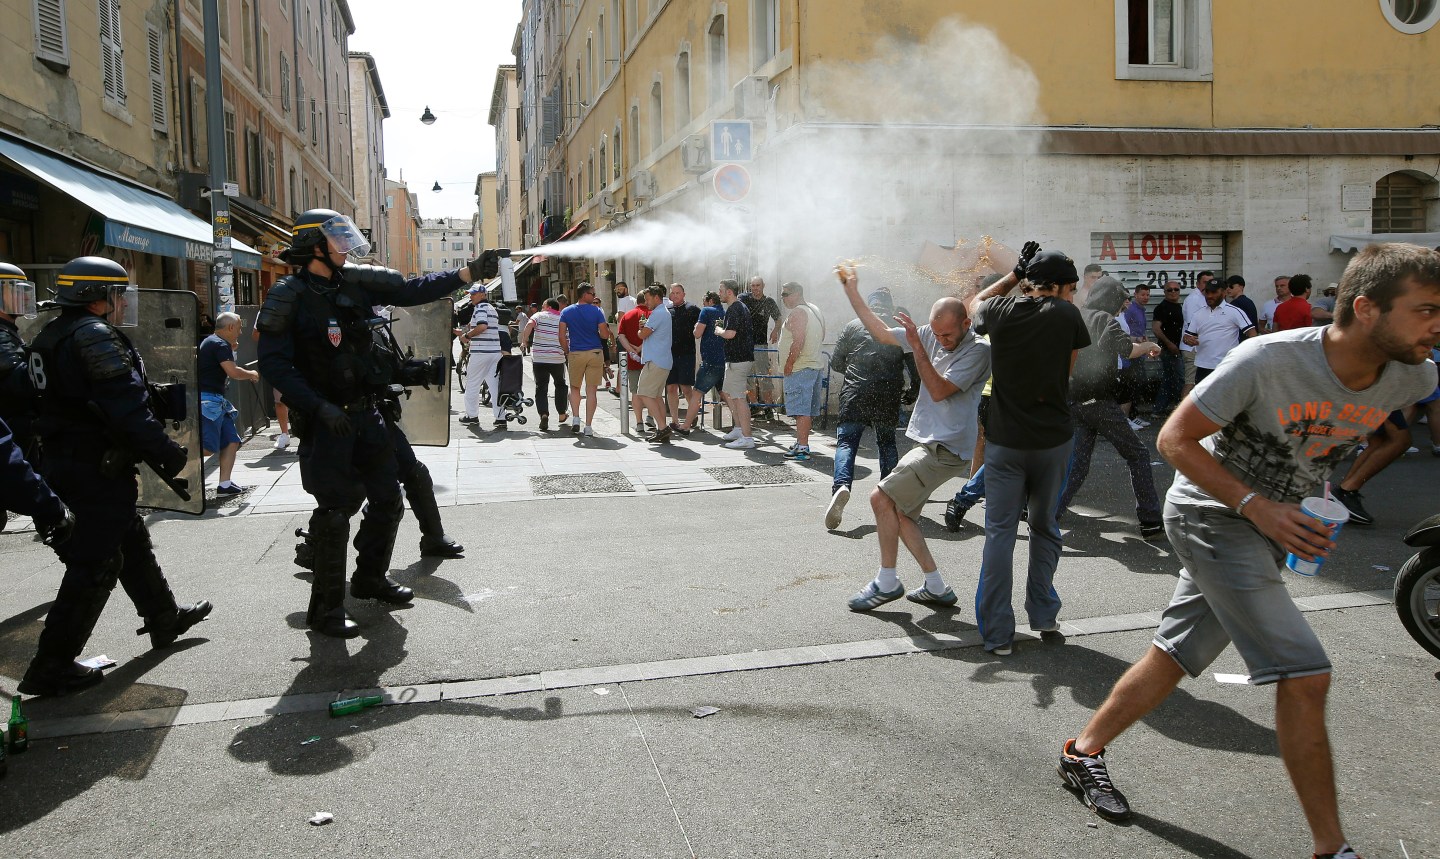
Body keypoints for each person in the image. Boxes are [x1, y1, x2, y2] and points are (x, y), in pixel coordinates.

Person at [1055, 243, 1440, 859]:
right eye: (1426, 309)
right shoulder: (1266, 359)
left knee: (1174, 655)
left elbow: (1342, 438)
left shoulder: (1414, 374)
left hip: (1275, 521)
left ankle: (1083, 753)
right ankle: (1330, 849)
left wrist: (1327, 497)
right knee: (1306, 674)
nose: (1438, 324)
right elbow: (1173, 440)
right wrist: (1258, 507)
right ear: (1366, 309)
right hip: (1211, 514)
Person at [257, 208, 498, 638]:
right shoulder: (287, 295)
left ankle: (369, 578)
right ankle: (327, 611)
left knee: (388, 501)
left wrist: (466, 273)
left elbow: (410, 289)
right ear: (315, 246)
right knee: (334, 512)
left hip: (367, 413)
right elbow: (274, 365)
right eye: (336, 239)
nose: (346, 245)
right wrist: (317, 407)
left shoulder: (355, 282)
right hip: (327, 420)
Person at [22, 256, 212, 695]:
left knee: (129, 535)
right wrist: (168, 453)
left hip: (67, 460)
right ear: (97, 297)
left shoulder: (49, 334)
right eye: (117, 293)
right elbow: (125, 407)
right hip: (94, 466)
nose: (122, 300)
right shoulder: (93, 336)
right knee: (96, 563)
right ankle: (51, 663)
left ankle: (164, 615)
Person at [837, 266, 990, 611]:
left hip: (946, 449)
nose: (942, 340)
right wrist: (852, 292)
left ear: (966, 324)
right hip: (931, 444)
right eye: (936, 333)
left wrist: (919, 345)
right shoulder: (931, 334)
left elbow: (938, 390)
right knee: (902, 515)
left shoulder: (978, 351)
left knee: (879, 499)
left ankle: (887, 581)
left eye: (948, 335)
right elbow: (880, 332)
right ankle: (936, 586)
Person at [965, 244, 1090, 656]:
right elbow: (1067, 372)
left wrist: (1014, 274)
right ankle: (1043, 613)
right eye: (1070, 288)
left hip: (1004, 442)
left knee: (999, 534)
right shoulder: (1067, 315)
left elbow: (975, 303)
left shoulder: (999, 311)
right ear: (1055, 287)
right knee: (1044, 526)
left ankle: (998, 635)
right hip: (1052, 440)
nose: (1073, 296)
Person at [1057, 277, 1165, 538]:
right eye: (1122, 299)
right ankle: (1150, 521)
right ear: (1110, 299)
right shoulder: (1104, 320)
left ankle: (1048, 515)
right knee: (1138, 455)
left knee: (1078, 464)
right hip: (1097, 401)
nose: (1125, 304)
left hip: (1074, 399)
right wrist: (1150, 345)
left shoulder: (1076, 315)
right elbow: (1127, 350)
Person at [824, 286, 919, 530]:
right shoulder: (898, 328)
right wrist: (913, 391)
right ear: (889, 306)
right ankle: (889, 497)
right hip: (888, 394)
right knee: (886, 443)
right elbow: (915, 366)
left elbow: (836, 362)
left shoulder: (853, 325)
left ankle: (841, 486)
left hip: (855, 393)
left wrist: (857, 375)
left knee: (847, 443)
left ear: (870, 304)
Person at [199, 312, 259, 495]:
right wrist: (252, 374)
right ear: (231, 327)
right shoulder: (219, 344)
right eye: (239, 328)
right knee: (208, 448)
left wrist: (232, 348)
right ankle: (171, 463)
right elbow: (233, 372)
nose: (240, 332)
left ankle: (224, 484)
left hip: (216, 401)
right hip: (209, 402)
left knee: (232, 441)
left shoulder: (214, 342)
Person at [778, 282, 826, 462]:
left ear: (797, 293)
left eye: (786, 294)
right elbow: (822, 334)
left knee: (801, 411)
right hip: (813, 366)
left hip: (800, 368)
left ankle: (803, 447)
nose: (783, 298)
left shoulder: (798, 312)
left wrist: (789, 362)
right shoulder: (814, 309)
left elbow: (798, 340)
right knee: (805, 410)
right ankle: (801, 442)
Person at [559, 282, 611, 437]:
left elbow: (561, 336)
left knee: (575, 388)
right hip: (595, 352)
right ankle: (588, 426)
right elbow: (604, 335)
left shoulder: (567, 312)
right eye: (592, 294)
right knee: (591, 391)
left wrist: (567, 351)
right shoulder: (596, 311)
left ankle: (576, 418)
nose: (594, 297)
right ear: (584, 295)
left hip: (576, 353)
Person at [1183, 277, 1257, 383]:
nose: (1209, 296)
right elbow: (1187, 337)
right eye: (1207, 292)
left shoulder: (1234, 311)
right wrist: (1188, 340)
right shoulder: (1198, 314)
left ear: (1224, 293)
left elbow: (1252, 333)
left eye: (1214, 292)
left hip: (1227, 366)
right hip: (1203, 366)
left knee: (1228, 398)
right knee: (1204, 399)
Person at [0, 262, 38, 459]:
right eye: (15, 290)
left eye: (25, 291)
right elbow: (21, 384)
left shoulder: (8, 330)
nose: (25, 297)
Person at [714, 279, 756, 449]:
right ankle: (739, 429)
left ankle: (747, 438)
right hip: (736, 359)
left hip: (739, 360)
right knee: (728, 392)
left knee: (739, 398)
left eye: (721, 290)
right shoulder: (738, 307)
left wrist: (719, 331)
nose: (719, 293)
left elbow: (730, 334)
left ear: (729, 292)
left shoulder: (735, 308)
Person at [457, 282, 505, 430]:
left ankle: (472, 416)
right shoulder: (492, 309)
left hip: (480, 353)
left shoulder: (480, 308)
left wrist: (467, 335)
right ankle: (500, 418)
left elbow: (482, 326)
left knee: (472, 384)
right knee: (495, 386)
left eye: (473, 293)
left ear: (482, 294)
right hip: (495, 352)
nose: (470, 296)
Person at [522, 298, 569, 432]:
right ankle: (561, 414)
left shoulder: (538, 315)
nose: (542, 307)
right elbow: (567, 336)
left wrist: (524, 341)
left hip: (539, 358)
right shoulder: (562, 317)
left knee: (541, 387)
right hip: (557, 358)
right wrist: (567, 351)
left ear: (548, 306)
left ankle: (543, 414)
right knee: (560, 384)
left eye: (543, 305)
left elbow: (529, 325)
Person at [634, 284, 673, 443]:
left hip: (656, 361)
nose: (646, 302)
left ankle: (663, 428)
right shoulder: (663, 312)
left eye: (648, 299)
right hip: (662, 360)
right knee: (656, 396)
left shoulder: (657, 313)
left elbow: (643, 335)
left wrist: (639, 330)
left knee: (644, 393)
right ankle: (661, 429)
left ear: (657, 298)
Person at [740, 276, 783, 419]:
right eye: (752, 285)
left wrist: (776, 330)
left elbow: (778, 318)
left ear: (763, 286)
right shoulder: (744, 299)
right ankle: (754, 406)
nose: (755, 288)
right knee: (749, 377)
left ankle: (768, 407)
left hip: (761, 344)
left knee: (764, 376)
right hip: (745, 344)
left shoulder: (768, 301)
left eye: (757, 285)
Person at [665, 283, 702, 434]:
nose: (675, 296)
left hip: (687, 354)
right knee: (671, 387)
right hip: (669, 355)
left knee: (686, 388)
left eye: (677, 293)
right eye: (672, 293)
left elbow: (702, 327)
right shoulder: (667, 311)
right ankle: (674, 420)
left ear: (683, 294)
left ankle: (692, 416)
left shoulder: (693, 309)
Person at [616, 293, 653, 431]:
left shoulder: (627, 315)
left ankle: (639, 422)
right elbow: (653, 334)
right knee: (652, 391)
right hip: (650, 358)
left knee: (635, 391)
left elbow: (621, 335)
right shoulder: (652, 314)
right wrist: (641, 347)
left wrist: (631, 350)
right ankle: (651, 416)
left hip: (631, 360)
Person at [1119, 283, 1151, 428]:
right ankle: (1127, 418)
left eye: (1148, 295)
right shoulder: (1129, 310)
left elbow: (1139, 332)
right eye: (1142, 294)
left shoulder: (1139, 309)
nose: (1146, 297)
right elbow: (1124, 334)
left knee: (1136, 384)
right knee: (1130, 385)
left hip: (1138, 351)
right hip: (1129, 354)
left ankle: (1132, 416)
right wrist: (1137, 340)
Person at [1150, 280, 1185, 414]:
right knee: (1179, 379)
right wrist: (1169, 344)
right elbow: (1156, 328)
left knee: (1169, 379)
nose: (1173, 292)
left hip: (1179, 348)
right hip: (1168, 350)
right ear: (1164, 292)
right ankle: (1181, 408)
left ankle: (1158, 409)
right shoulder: (1162, 308)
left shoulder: (1179, 307)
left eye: (1176, 289)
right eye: (1169, 290)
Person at [693, 291, 727, 419]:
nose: (704, 305)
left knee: (697, 392)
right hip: (723, 358)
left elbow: (697, 334)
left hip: (710, 359)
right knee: (724, 392)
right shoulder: (725, 313)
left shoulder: (706, 311)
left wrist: (696, 325)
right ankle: (739, 423)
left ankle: (687, 423)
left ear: (710, 301)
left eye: (704, 303)